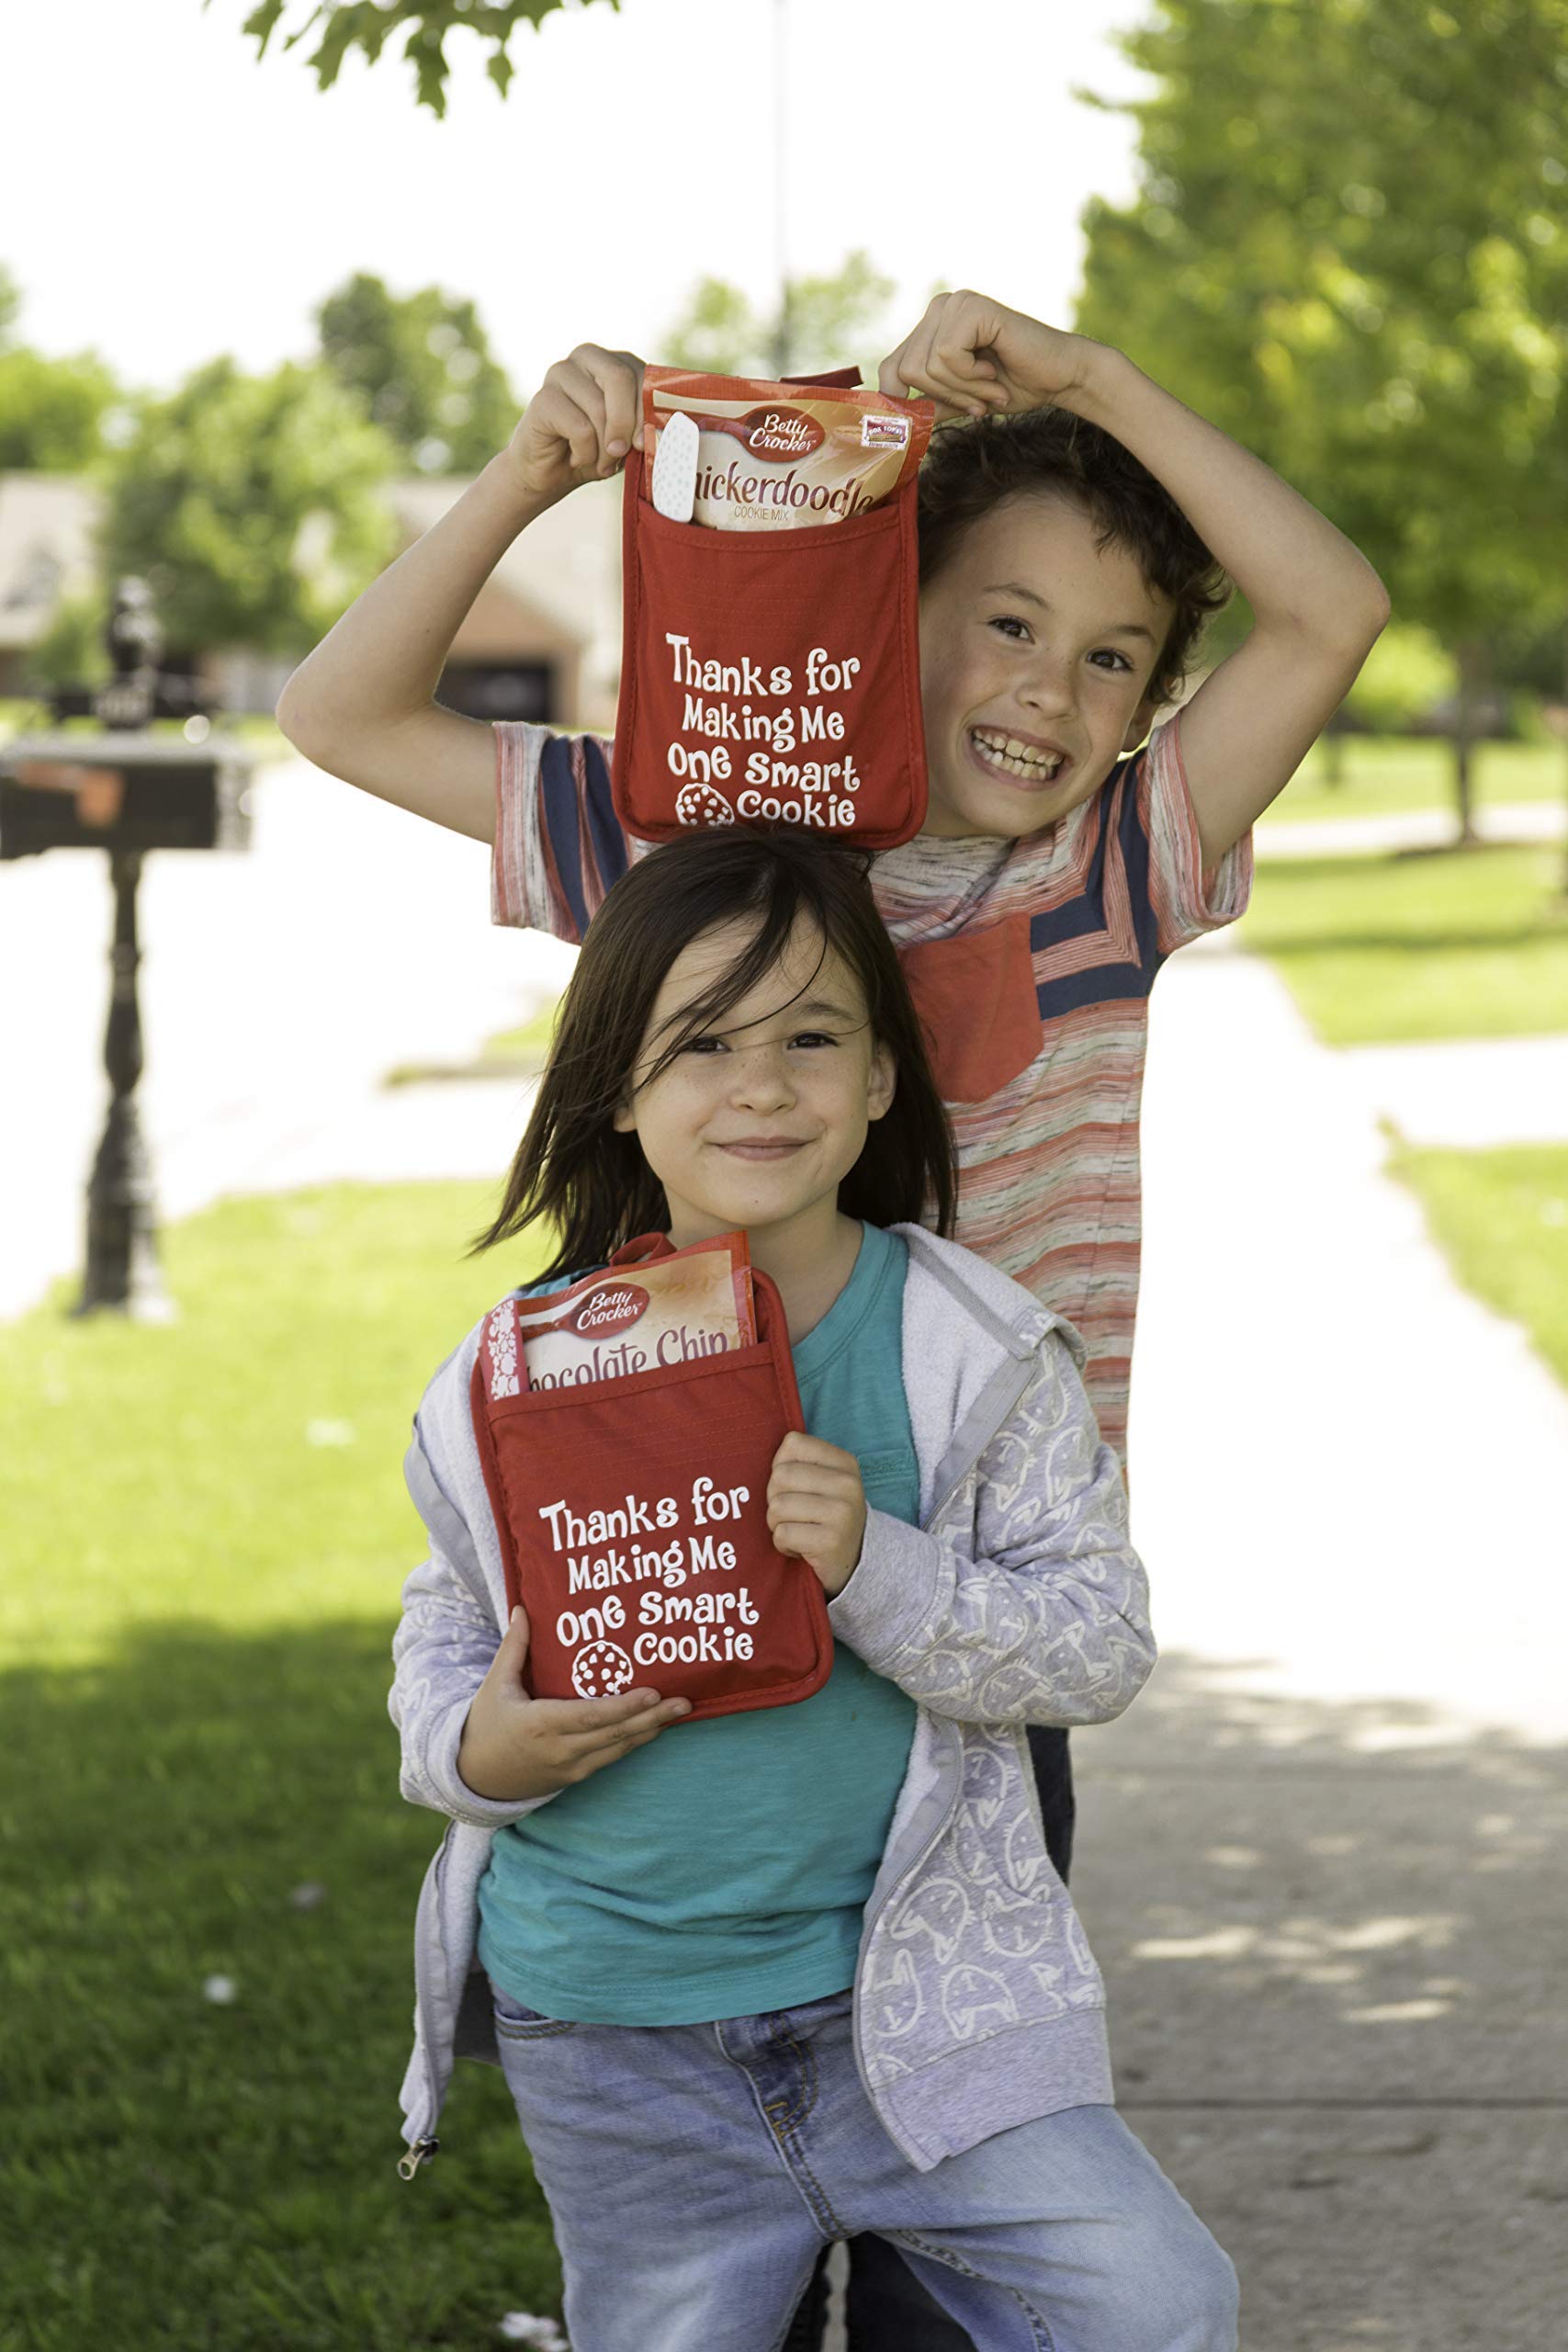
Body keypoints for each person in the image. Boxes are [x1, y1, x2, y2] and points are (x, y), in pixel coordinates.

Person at [282, 289, 1386, 2345]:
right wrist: (539, 469)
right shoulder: (690, 848)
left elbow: (1327, 609)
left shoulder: (1106, 871)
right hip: (677, 1584)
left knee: (951, 2206)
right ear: (888, 609)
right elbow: (339, 715)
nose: (1049, 689)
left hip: (974, 1624)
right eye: (1000, 618)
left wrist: (1087, 373)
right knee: (718, 2201)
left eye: (1112, 653)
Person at [389, 825, 1238, 2352]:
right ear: (622, 1091)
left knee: (1155, 2299)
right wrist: (471, 1749)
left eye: (811, 1036)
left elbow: (1098, 1645)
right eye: (702, 1042)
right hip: (614, 2019)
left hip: (911, 2011)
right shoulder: (526, 1359)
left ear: (882, 1079)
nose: (763, 1084)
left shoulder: (978, 1352)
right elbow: (450, 1604)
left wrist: (879, 1568)